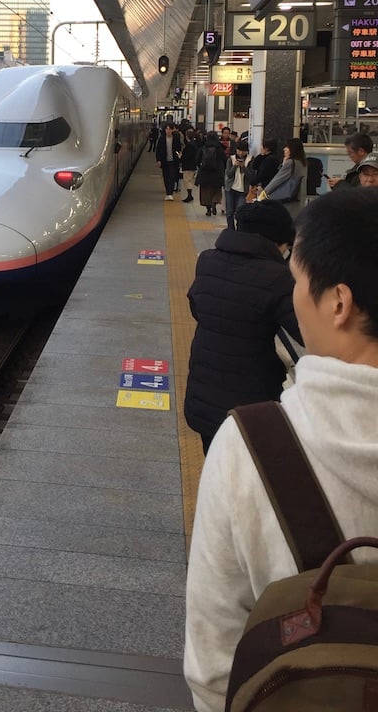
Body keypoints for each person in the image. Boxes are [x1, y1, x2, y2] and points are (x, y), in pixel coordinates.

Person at [184, 188, 378, 712]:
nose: (293, 293)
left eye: (298, 281)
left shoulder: (249, 450)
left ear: (338, 303)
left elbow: (213, 668)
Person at [184, 200, 301, 455]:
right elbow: (305, 332)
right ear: (279, 242)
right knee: (247, 477)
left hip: (203, 393)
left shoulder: (207, 260)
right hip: (250, 404)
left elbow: (198, 308)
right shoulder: (277, 277)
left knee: (215, 466)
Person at [259, 137, 306, 203]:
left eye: (287, 147)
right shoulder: (302, 163)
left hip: (286, 201)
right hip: (298, 199)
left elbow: (278, 179)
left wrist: (264, 193)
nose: (284, 149)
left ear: (292, 149)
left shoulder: (290, 163)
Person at [222, 137, 249, 229]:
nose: (241, 153)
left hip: (243, 190)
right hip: (230, 189)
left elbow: (251, 176)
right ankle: (231, 229)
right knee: (229, 211)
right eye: (239, 151)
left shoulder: (250, 160)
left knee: (239, 210)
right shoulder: (231, 159)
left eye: (243, 151)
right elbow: (228, 174)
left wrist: (244, 167)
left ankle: (239, 229)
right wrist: (235, 166)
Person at [196, 131, 224, 216]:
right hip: (217, 173)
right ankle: (214, 204)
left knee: (205, 193)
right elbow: (224, 159)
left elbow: (197, 160)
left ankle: (208, 209)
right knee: (216, 191)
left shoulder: (203, 147)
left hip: (205, 174)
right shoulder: (219, 148)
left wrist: (201, 166)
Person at [154, 122, 182, 200]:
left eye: (170, 129)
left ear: (173, 130)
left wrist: (178, 156)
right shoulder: (162, 139)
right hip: (164, 161)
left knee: (172, 176)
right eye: (167, 129)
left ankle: (170, 194)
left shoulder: (176, 138)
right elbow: (158, 150)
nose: (168, 130)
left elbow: (178, 149)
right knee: (166, 177)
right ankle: (167, 192)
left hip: (173, 161)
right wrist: (158, 160)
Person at [180, 129, 198, 203]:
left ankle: (190, 196)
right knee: (189, 180)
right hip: (192, 165)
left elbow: (186, 156)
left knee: (188, 181)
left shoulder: (190, 146)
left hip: (188, 165)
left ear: (187, 136)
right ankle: (189, 196)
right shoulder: (194, 144)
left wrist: (181, 156)